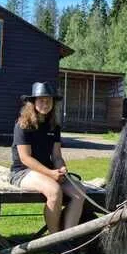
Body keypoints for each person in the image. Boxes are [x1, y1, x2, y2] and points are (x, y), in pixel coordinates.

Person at [10, 82, 85, 235]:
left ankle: (68, 237)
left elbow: (56, 156)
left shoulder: (54, 126)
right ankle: (54, 239)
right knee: (54, 191)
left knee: (80, 191)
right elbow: (25, 158)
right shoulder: (22, 125)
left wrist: (61, 168)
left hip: (47, 172)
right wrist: (51, 174)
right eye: (41, 100)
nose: (45, 104)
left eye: (49, 101)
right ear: (33, 103)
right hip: (22, 172)